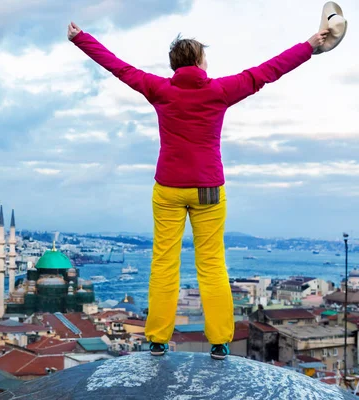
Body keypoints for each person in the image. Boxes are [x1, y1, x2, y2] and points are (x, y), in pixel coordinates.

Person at [68, 21, 328, 360]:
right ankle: (220, 341)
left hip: (168, 189)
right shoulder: (219, 90)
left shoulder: (159, 89)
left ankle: (157, 339)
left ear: (175, 65)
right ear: (201, 62)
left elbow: (117, 66)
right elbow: (269, 70)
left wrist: (80, 39)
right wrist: (311, 45)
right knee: (212, 264)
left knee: (164, 262)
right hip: (208, 188)